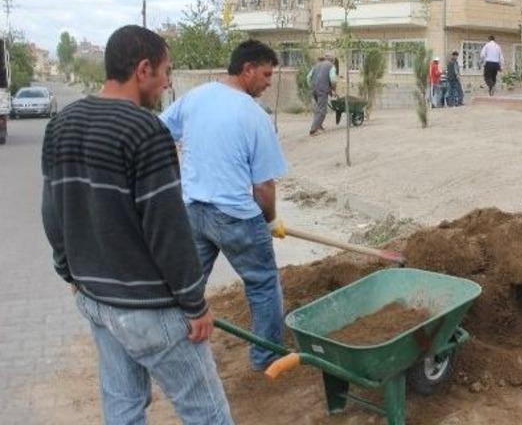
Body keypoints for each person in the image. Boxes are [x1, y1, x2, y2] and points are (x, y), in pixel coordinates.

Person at [41, 25, 233, 424]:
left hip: (96, 301)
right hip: (149, 311)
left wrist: (68, 271)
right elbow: (169, 230)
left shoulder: (62, 124)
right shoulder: (146, 132)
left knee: (123, 407)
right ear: (143, 69)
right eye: (166, 71)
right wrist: (194, 304)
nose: (167, 83)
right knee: (208, 414)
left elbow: (52, 211)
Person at [160, 39, 289, 373]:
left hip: (194, 212)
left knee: (189, 284)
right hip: (235, 218)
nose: (268, 82)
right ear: (247, 70)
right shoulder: (254, 116)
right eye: (265, 74)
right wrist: (271, 220)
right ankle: (268, 357)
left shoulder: (197, 96)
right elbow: (263, 186)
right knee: (262, 284)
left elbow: (158, 132)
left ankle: (171, 345)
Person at [307, 52, 338, 135]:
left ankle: (319, 126)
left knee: (318, 108)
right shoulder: (331, 66)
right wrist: (333, 89)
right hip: (322, 90)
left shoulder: (316, 65)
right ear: (333, 60)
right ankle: (313, 130)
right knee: (322, 110)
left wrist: (312, 86)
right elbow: (333, 80)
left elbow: (308, 77)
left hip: (314, 89)